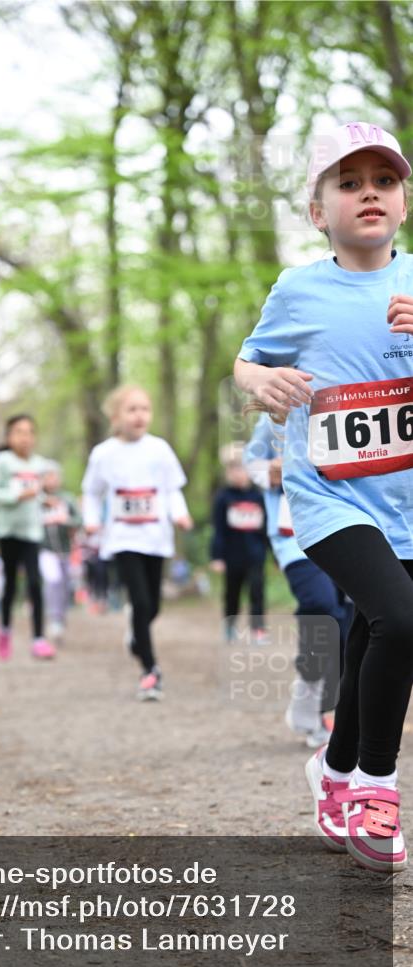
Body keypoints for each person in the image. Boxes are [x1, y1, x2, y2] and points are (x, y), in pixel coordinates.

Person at [234, 121, 413, 872]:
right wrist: (259, 385)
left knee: (375, 631)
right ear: (318, 211)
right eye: (348, 183)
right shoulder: (298, 289)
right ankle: (376, 784)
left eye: (382, 179)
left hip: (405, 497)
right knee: (401, 617)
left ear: (402, 199)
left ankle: (331, 770)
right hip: (331, 497)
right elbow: (246, 363)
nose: (367, 192)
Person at [244, 413, 351, 747]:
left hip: (348, 527)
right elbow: (252, 462)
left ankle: (315, 695)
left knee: (348, 621)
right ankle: (318, 700)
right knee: (322, 606)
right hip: (295, 536)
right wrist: (268, 472)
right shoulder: (274, 416)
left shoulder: (347, 398)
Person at [81, 385, 192, 700]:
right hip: (123, 537)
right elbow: (91, 492)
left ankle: (135, 635)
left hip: (156, 537)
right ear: (116, 416)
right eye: (132, 409)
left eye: (145, 408)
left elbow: (172, 489)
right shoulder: (103, 454)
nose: (139, 415)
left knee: (152, 605)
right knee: (141, 602)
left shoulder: (159, 449)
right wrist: (92, 520)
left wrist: (180, 515)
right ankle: (149, 671)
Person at [0, 415, 56, 661]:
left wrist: (46, 500)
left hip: (32, 532)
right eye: (19, 432)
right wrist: (16, 496)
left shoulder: (40, 464)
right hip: (8, 532)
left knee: (35, 582)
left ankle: (38, 639)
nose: (25, 437)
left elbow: (39, 493)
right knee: (10, 585)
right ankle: (4, 630)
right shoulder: (2, 461)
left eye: (29, 432)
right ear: (9, 437)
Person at [209, 446, 268, 643]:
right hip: (232, 556)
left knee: (257, 592)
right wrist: (216, 556)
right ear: (228, 472)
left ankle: (258, 630)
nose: (238, 473)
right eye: (234, 469)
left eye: (242, 468)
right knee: (232, 593)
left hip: (255, 555)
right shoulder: (223, 498)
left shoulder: (259, 497)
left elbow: (266, 528)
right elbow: (218, 529)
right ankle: (230, 626)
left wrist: (273, 553)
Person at [39, 463, 80, 643]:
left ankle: (60, 619)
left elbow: (79, 520)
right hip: (44, 550)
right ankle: (54, 619)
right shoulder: (36, 500)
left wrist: (66, 521)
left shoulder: (67, 499)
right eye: (48, 476)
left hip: (65, 550)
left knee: (63, 585)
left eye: (54, 476)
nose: (52, 480)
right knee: (52, 580)